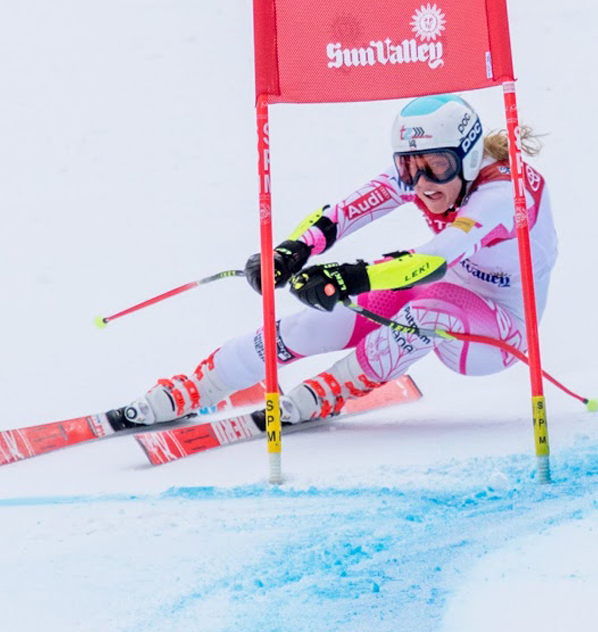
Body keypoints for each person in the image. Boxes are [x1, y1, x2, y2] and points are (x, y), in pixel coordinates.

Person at [113, 93, 558, 430]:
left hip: (498, 333)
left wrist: (353, 276)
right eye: (409, 168)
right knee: (318, 321)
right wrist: (294, 250)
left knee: (424, 307)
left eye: (437, 166)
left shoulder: (504, 196)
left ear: (470, 155)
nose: (422, 182)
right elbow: (346, 212)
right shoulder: (431, 175)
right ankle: (199, 387)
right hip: (440, 291)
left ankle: (332, 389)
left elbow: (434, 259)